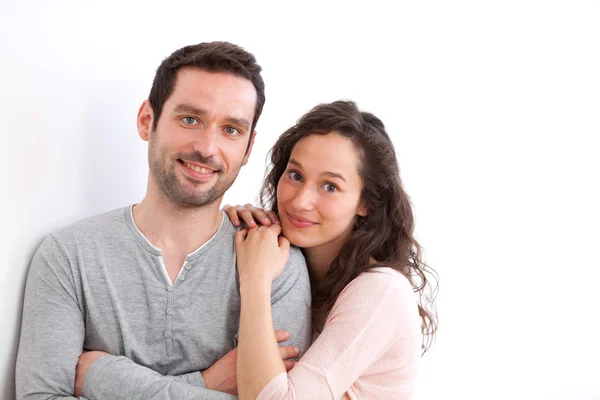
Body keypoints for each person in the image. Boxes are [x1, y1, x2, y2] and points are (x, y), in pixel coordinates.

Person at [15, 41, 312, 400]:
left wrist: (101, 376)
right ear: (147, 120)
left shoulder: (275, 261)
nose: (207, 147)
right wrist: (205, 385)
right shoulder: (68, 257)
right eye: (190, 119)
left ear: (248, 149)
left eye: (231, 130)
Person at [225, 101, 438, 399]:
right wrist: (234, 232)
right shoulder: (292, 269)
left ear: (365, 203)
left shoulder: (380, 290)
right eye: (295, 176)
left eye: (330, 187)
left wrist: (255, 279)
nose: (300, 202)